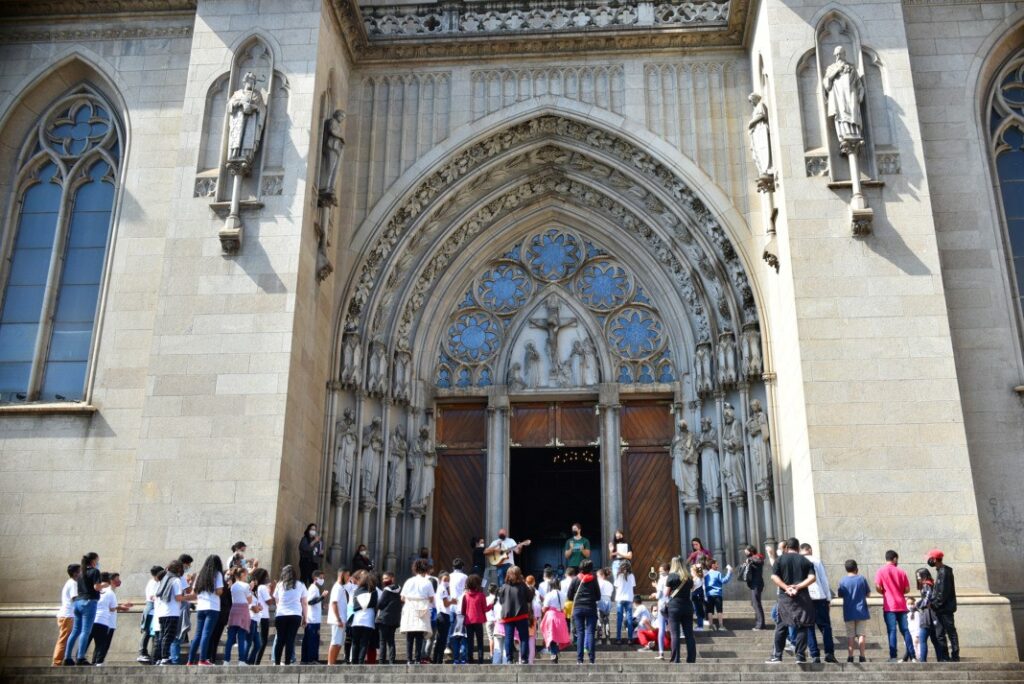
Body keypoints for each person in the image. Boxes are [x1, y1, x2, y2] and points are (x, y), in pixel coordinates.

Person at [765, 537, 816, 664]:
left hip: (785, 598)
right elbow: (812, 578)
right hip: (802, 596)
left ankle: (777, 656)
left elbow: (774, 577)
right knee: (802, 625)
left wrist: (786, 587)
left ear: (787, 548)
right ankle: (800, 656)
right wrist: (798, 586)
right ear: (798, 548)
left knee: (781, 626)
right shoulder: (805, 560)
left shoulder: (780, 560)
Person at [874, 550, 916, 662]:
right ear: (895, 559)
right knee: (905, 630)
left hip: (889, 606)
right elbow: (907, 589)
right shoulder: (901, 571)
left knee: (892, 631)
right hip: (901, 605)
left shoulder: (880, 571)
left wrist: (884, 592)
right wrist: (899, 591)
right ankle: (913, 656)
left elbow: (878, 586)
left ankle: (893, 657)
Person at [799, 543, 837, 663]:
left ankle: (814, 654)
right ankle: (829, 653)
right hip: (819, 596)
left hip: (805, 598)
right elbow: (823, 579)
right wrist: (828, 597)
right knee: (825, 626)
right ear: (809, 549)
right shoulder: (816, 560)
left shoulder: (798, 561)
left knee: (809, 627)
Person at [66, 552, 103, 665]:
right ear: (93, 561)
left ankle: (67, 657)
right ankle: (80, 657)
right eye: (97, 560)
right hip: (89, 602)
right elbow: (96, 587)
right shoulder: (95, 571)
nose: (98, 562)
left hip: (78, 602)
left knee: (75, 631)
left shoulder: (81, 573)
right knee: (85, 631)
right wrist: (104, 585)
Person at [187, 554, 224, 666]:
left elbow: (194, 593)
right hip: (212, 607)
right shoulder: (217, 574)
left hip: (201, 607)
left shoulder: (200, 574)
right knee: (206, 634)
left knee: (197, 634)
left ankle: (190, 660)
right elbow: (219, 591)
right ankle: (202, 659)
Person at [89, 571, 131, 665]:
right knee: (103, 644)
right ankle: (99, 661)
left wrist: (121, 605)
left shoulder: (100, 591)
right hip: (107, 621)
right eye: (117, 579)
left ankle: (95, 661)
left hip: (98, 620)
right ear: (110, 580)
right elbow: (111, 607)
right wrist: (122, 607)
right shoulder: (109, 592)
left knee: (98, 644)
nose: (119, 581)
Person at [153, 560, 188, 666]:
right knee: (169, 636)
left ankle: (161, 658)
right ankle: (165, 657)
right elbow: (178, 597)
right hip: (172, 612)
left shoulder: (165, 579)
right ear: (179, 569)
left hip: (163, 613)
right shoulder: (176, 580)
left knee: (163, 636)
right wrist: (191, 597)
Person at [400, 559, 435, 664]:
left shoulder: (409, 581)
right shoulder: (427, 582)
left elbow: (402, 598)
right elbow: (431, 598)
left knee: (410, 636)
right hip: (422, 610)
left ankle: (409, 659)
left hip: (410, 609)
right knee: (419, 636)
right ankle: (417, 659)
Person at [272, 564, 308, 665]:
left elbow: (277, 600)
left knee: (280, 639)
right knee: (290, 639)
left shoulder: (279, 585)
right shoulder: (301, 585)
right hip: (295, 615)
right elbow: (304, 603)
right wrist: (305, 617)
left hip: (281, 614)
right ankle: (287, 662)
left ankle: (277, 662)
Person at [928, 549, 959, 662]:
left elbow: (943, 592)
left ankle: (955, 656)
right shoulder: (940, 571)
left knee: (950, 632)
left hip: (945, 609)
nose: (929, 560)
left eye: (930, 558)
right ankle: (944, 657)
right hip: (939, 609)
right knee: (940, 633)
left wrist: (934, 605)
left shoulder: (944, 572)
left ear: (934, 559)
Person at [497, 565, 533, 664]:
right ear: (519, 574)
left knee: (508, 638)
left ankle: (509, 659)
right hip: (521, 615)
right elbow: (530, 598)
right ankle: (524, 659)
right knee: (524, 637)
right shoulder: (523, 586)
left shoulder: (504, 587)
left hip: (508, 616)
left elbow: (501, 601)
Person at [567, 558, 600, 665]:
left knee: (580, 633)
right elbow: (598, 596)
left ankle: (579, 659)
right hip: (591, 608)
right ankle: (591, 659)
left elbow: (569, 596)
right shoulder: (594, 579)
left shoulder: (575, 579)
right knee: (590, 633)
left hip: (578, 608)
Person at [837, 559, 870, 663]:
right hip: (861, 611)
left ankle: (850, 656)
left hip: (848, 611)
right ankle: (862, 656)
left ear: (846, 569)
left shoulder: (842, 581)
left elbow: (840, 594)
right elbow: (868, 593)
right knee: (861, 634)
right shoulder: (861, 579)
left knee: (850, 635)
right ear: (856, 568)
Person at [665, 567, 696, 664]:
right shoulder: (688, 577)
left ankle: (675, 659)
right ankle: (691, 659)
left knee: (675, 634)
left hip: (674, 607)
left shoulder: (672, 576)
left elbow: (666, 593)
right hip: (687, 606)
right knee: (689, 634)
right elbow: (693, 588)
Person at [223, 566, 252, 665]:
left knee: (230, 638)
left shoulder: (233, 586)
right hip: (243, 610)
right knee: (241, 637)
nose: (247, 576)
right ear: (243, 574)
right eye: (246, 574)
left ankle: (226, 660)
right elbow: (250, 600)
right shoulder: (246, 585)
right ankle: (241, 660)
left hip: (234, 609)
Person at [539, 575, 571, 662]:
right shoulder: (563, 595)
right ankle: (555, 650)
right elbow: (563, 606)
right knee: (558, 635)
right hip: (560, 616)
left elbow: (544, 608)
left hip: (551, 616)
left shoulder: (549, 595)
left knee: (551, 635)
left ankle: (553, 652)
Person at [53, 564, 79, 666]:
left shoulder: (71, 582)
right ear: (75, 573)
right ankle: (57, 661)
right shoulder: (73, 583)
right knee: (64, 638)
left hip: (67, 615)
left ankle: (62, 660)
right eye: (80, 571)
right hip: (67, 616)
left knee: (65, 638)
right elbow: (75, 598)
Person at [914, 567, 942, 662]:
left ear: (924, 575)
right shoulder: (930, 584)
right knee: (934, 640)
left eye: (919, 576)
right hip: (932, 616)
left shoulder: (926, 585)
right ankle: (940, 659)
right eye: (917, 576)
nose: (918, 578)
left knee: (922, 639)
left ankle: (923, 661)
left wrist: (918, 606)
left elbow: (927, 598)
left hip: (927, 615)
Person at [350, 571, 378, 664]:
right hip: (368, 620)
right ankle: (361, 661)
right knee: (364, 643)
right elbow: (374, 604)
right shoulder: (374, 591)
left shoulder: (357, 591)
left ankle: (354, 661)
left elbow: (354, 605)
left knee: (355, 642)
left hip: (357, 620)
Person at [247, 568, 273, 665]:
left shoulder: (257, 588)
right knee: (263, 641)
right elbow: (269, 601)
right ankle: (255, 662)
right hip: (263, 616)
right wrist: (271, 589)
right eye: (266, 576)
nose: (268, 578)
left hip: (258, 616)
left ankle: (252, 661)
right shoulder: (262, 587)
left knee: (258, 642)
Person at [376, 571, 402, 664]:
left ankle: (381, 661)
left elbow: (380, 604)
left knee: (382, 641)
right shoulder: (400, 589)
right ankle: (391, 661)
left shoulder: (386, 590)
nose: (384, 580)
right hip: (394, 619)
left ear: (392, 578)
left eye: (386, 578)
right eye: (383, 579)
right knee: (391, 641)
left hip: (384, 619)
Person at [302, 569, 327, 663]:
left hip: (314, 619)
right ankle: (311, 659)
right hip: (313, 620)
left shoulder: (315, 588)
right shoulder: (313, 588)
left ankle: (306, 659)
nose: (322, 579)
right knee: (313, 640)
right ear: (315, 578)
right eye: (321, 578)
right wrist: (322, 597)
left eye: (323, 578)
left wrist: (321, 603)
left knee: (310, 640)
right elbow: (310, 602)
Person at [462, 574, 487, 664]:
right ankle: (480, 660)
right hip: (478, 621)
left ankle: (470, 659)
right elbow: (485, 609)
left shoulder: (465, 596)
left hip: (468, 621)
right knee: (480, 641)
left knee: (470, 641)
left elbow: (463, 611)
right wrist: (491, 605)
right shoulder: (481, 595)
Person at [739, 545, 765, 630]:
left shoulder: (757, 557)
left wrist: (750, 559)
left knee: (756, 604)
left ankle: (760, 625)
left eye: (746, 550)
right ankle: (759, 623)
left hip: (757, 584)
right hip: (754, 584)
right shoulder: (752, 558)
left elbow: (760, 560)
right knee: (755, 604)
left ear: (751, 550)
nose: (745, 552)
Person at [326, 568, 348, 665]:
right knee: (335, 642)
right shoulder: (337, 587)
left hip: (341, 619)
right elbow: (334, 603)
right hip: (337, 620)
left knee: (339, 643)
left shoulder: (341, 587)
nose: (348, 578)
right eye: (347, 575)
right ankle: (330, 664)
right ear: (342, 575)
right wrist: (338, 619)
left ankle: (333, 663)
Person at [431, 571, 454, 663]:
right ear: (440, 580)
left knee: (440, 639)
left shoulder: (443, 589)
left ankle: (436, 659)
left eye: (448, 580)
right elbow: (446, 604)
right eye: (445, 579)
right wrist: (452, 601)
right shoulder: (442, 589)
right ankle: (438, 659)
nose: (447, 581)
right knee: (442, 639)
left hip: (442, 614)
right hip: (443, 615)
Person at [704, 559, 733, 631]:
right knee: (719, 610)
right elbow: (724, 580)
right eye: (716, 564)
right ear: (712, 565)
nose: (718, 566)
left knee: (709, 611)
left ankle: (711, 626)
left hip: (709, 595)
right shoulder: (717, 573)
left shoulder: (706, 574)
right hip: (717, 594)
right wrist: (729, 572)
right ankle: (721, 626)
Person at [614, 560, 637, 644]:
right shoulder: (632, 576)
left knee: (619, 619)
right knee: (629, 619)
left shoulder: (618, 575)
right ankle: (630, 639)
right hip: (629, 598)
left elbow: (616, 587)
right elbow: (633, 586)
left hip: (620, 598)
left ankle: (618, 639)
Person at [597, 566, 614, 644]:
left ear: (602, 575)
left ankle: (600, 639)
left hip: (601, 600)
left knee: (600, 621)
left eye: (598, 576)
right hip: (608, 601)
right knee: (606, 620)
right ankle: (608, 639)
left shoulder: (599, 583)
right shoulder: (610, 584)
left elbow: (597, 592)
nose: (597, 577)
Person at [689, 565, 706, 631]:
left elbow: (692, 588)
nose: (690, 573)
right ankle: (699, 625)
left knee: (698, 611)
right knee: (697, 611)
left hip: (697, 597)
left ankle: (700, 626)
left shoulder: (697, 579)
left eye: (691, 571)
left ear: (694, 572)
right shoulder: (697, 578)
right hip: (695, 596)